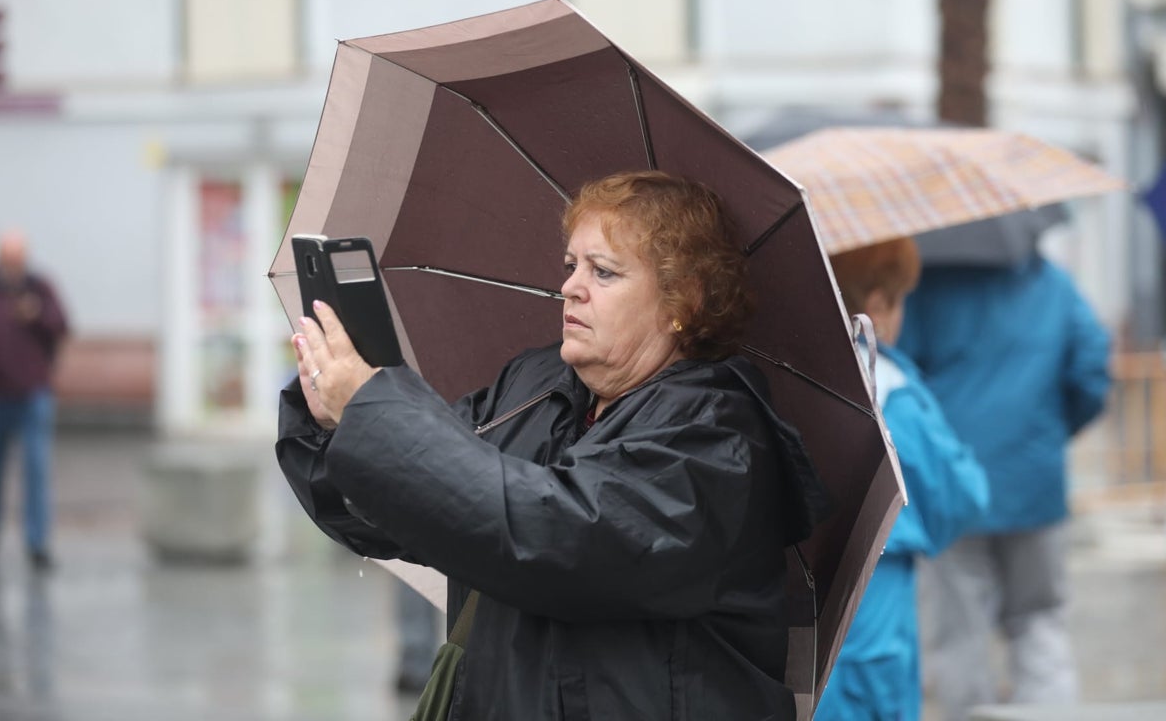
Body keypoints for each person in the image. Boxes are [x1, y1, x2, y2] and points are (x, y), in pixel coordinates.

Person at [276, 171, 827, 720]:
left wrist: (375, 410)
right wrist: (334, 425)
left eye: (603, 272)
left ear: (683, 299)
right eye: (571, 265)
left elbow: (557, 536)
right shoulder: (533, 385)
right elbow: (409, 507)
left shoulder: (716, 434)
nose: (570, 287)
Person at [897, 251, 1111, 720]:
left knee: (958, 632)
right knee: (1039, 620)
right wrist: (1052, 432)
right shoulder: (1053, 283)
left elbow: (900, 373)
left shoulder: (926, 288)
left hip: (952, 488)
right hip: (1035, 486)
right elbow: (1092, 369)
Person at [815, 238, 989, 721]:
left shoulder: (797, 370)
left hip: (797, 586)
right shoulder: (888, 385)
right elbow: (961, 491)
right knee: (874, 695)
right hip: (878, 582)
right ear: (877, 306)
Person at [0, 230, 69, 570]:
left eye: (19, 259)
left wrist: (36, 315)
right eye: (8, 259)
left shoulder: (40, 289)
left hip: (32, 395)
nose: (14, 266)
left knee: (36, 469)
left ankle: (37, 544)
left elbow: (62, 326)